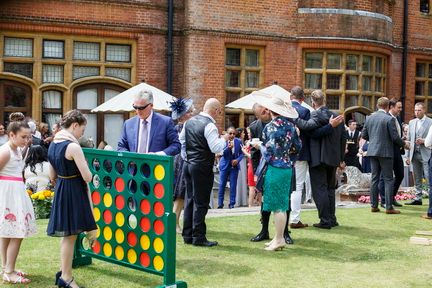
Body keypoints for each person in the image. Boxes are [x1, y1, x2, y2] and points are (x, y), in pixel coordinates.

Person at [47, 110, 97, 288]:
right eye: (82, 129)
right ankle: (66, 277)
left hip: (62, 187)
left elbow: (51, 174)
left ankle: (64, 273)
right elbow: (88, 177)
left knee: (68, 236)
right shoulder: (73, 147)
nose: (82, 133)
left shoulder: (53, 143)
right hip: (74, 191)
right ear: (75, 125)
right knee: (70, 236)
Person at [251, 91, 301, 251]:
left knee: (277, 205)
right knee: (282, 203)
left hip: (274, 168)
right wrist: (288, 158)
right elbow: (298, 147)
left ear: (270, 110)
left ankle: (279, 239)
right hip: (287, 168)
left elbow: (269, 152)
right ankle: (277, 238)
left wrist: (259, 146)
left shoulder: (270, 127)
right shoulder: (291, 126)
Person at [295, 90, 346, 229]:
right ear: (324, 100)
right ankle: (332, 218)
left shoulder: (316, 114)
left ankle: (325, 220)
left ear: (312, 102)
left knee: (320, 190)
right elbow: (343, 139)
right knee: (330, 189)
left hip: (318, 158)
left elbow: (308, 129)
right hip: (333, 158)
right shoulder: (336, 116)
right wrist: (341, 158)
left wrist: (293, 117)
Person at [180, 98, 227, 247]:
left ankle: (187, 235)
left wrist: (187, 156)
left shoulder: (189, 122)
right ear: (214, 110)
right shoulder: (210, 126)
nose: (219, 114)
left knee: (189, 200)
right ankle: (199, 237)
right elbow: (216, 148)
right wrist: (224, 139)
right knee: (201, 202)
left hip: (188, 164)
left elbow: (182, 141)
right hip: (201, 166)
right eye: (219, 111)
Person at [0, 112, 36, 284]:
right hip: (8, 193)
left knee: (8, 232)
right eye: (23, 137)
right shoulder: (6, 151)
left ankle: (8, 268)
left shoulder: (17, 149)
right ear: (11, 135)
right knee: (16, 232)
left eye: (29, 137)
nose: (26, 140)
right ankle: (8, 270)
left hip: (15, 191)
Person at [362, 97, 408, 214]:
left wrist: (374, 140)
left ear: (377, 105)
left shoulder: (369, 118)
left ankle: (373, 205)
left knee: (374, 178)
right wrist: (404, 144)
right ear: (387, 106)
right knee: (388, 179)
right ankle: (389, 207)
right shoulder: (389, 119)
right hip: (386, 152)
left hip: (372, 151)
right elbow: (394, 137)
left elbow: (364, 135)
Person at [117, 89, 180, 156]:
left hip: (157, 165)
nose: (138, 111)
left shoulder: (165, 122)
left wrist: (159, 155)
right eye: (135, 107)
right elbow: (121, 147)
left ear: (151, 105)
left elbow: (176, 145)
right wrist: (131, 157)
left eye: (141, 108)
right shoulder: (128, 124)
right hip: (133, 165)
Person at [170, 97, 194, 234]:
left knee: (180, 194)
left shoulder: (176, 127)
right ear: (184, 115)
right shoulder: (184, 128)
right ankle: (175, 223)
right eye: (190, 112)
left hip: (178, 160)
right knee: (180, 194)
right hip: (181, 161)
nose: (192, 114)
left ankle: (177, 222)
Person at [289, 86, 311, 229]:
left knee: (285, 186)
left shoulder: (283, 109)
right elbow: (308, 132)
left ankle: (282, 216)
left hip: (284, 154)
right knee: (297, 187)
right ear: (302, 99)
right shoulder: (304, 111)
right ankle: (295, 219)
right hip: (300, 153)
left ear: (291, 97)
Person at [378, 98, 405, 208]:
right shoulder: (386, 118)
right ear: (391, 107)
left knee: (400, 175)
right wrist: (403, 143)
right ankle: (384, 201)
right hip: (387, 152)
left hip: (397, 151)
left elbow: (397, 134)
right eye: (398, 107)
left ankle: (391, 197)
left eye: (401, 107)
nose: (400, 109)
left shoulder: (397, 118)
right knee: (384, 177)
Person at [406, 102, 432, 205]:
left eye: (419, 110)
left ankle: (431, 200)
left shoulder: (430, 122)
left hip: (427, 154)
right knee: (417, 177)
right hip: (414, 154)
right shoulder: (412, 122)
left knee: (429, 177)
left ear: (424, 110)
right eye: (415, 110)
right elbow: (408, 140)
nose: (416, 112)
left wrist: (424, 140)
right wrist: (408, 156)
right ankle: (418, 198)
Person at [217, 126, 244, 209]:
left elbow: (242, 153)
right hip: (224, 165)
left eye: (234, 134)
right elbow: (221, 154)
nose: (232, 135)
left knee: (233, 185)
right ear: (227, 133)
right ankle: (220, 204)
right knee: (222, 185)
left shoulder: (238, 141)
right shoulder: (223, 142)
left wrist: (238, 160)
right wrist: (228, 148)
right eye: (230, 133)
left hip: (234, 167)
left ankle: (232, 204)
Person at [235, 128, 248, 207]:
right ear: (240, 133)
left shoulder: (241, 141)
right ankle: (239, 200)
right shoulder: (238, 141)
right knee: (240, 180)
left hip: (243, 161)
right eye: (243, 133)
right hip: (240, 161)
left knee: (242, 180)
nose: (244, 134)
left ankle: (242, 200)